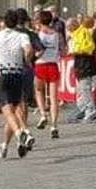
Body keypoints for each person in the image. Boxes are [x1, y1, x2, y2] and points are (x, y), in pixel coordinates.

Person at [0, 10, 34, 159]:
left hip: (2, 73)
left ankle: (19, 133)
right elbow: (28, 50)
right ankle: (7, 144)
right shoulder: (22, 35)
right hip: (17, 72)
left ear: (3, 22)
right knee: (16, 108)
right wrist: (26, 59)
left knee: (6, 109)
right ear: (17, 22)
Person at [32, 10, 62, 139]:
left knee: (38, 91)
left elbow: (37, 52)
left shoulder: (39, 34)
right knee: (54, 98)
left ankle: (43, 114)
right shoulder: (56, 34)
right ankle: (54, 125)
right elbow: (63, 49)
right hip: (53, 65)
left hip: (41, 64)